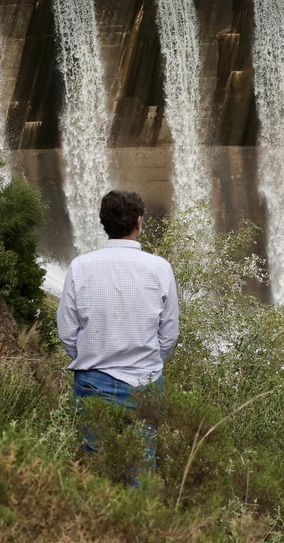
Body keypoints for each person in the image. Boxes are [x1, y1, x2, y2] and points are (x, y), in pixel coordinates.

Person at [56, 189, 179, 475]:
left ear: (103, 223)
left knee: (95, 470)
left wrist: (92, 358)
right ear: (139, 222)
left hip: (92, 381)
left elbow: (67, 332)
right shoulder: (160, 268)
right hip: (145, 382)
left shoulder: (80, 267)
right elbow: (169, 334)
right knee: (141, 467)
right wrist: (148, 362)